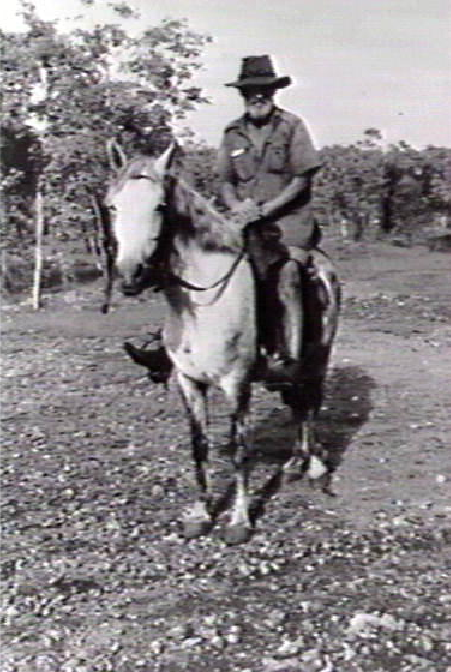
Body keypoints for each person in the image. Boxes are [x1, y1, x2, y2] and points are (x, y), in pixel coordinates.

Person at [125, 55, 322, 381]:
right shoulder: (233, 132)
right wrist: (238, 208)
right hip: (243, 221)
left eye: (263, 91)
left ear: (273, 92)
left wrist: (263, 210)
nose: (256, 98)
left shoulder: (292, 127)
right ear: (242, 95)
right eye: (249, 92)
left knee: (286, 272)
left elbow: (301, 180)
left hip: (288, 223)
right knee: (194, 265)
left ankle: (289, 352)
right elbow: (225, 182)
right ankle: (172, 344)